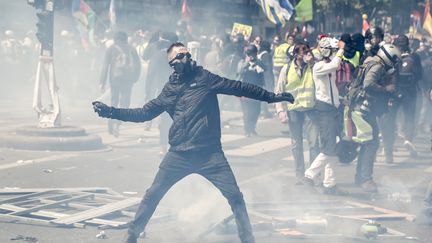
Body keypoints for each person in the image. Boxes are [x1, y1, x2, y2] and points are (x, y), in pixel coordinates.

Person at [92, 42, 294, 243]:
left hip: (210, 154)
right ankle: (132, 235)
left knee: (235, 197)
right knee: (153, 194)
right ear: (172, 63)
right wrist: (111, 111)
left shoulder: (204, 78)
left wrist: (271, 97)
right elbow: (144, 113)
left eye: (187, 54)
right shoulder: (170, 89)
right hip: (180, 153)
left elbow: (237, 87)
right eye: (180, 56)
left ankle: (248, 240)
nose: (186, 58)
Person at [346, 43, 401, 192]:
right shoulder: (378, 66)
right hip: (363, 109)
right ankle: (365, 179)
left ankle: (361, 177)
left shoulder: (369, 61)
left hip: (360, 108)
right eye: (394, 59)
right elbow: (368, 83)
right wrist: (385, 88)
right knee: (371, 143)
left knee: (368, 142)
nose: (394, 62)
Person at [304, 37, 345, 194]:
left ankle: (330, 183)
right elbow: (335, 64)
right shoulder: (319, 66)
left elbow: (330, 90)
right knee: (329, 147)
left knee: (333, 147)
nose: (336, 54)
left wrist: (341, 100)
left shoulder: (327, 66)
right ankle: (310, 174)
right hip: (324, 110)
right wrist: (341, 49)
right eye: (333, 51)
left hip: (332, 108)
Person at [275, 43, 320, 184]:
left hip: (310, 111)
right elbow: (279, 91)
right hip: (294, 111)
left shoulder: (314, 67)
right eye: (304, 52)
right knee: (296, 144)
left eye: (308, 51)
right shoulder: (286, 69)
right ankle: (300, 174)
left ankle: (312, 175)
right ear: (296, 54)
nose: (307, 54)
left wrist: (312, 63)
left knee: (313, 144)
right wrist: (280, 111)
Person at [380, 35, 423, 163]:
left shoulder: (391, 56)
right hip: (410, 92)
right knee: (409, 116)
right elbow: (420, 75)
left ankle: (388, 152)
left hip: (394, 92)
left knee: (390, 120)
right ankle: (408, 139)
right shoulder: (415, 57)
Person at [99, 31, 141, 137]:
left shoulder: (111, 49)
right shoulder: (132, 49)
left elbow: (105, 66)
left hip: (115, 78)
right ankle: (118, 122)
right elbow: (138, 65)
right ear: (125, 38)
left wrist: (102, 82)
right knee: (125, 101)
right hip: (128, 79)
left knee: (114, 99)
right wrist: (135, 78)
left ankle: (111, 118)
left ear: (115, 39)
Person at [237, 45, 266, 136]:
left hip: (257, 90)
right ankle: (247, 130)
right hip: (245, 91)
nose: (251, 56)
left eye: (253, 53)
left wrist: (258, 62)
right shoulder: (242, 62)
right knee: (247, 111)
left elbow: (266, 68)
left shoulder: (259, 62)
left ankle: (252, 127)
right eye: (249, 54)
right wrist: (247, 63)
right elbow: (239, 72)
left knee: (256, 110)